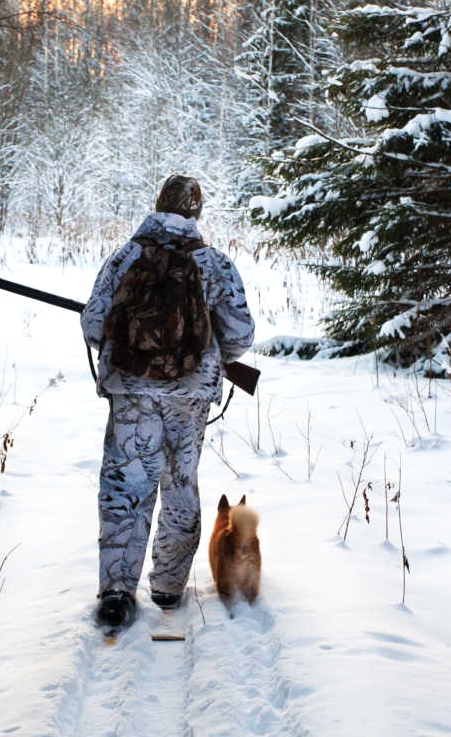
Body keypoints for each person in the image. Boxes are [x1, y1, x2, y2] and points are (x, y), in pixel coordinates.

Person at [81, 173, 256, 630]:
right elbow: (241, 334)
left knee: (125, 487)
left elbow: (93, 324)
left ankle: (117, 593)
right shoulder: (214, 263)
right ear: (196, 212)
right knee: (179, 483)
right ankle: (168, 586)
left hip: (130, 393)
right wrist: (206, 355)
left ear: (158, 204)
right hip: (189, 396)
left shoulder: (124, 257)